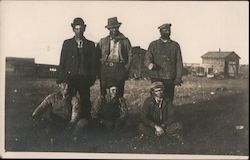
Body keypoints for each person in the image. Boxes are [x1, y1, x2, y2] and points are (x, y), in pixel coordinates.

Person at [59, 17, 97, 120]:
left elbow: (93, 64)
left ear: (84, 29)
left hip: (84, 79)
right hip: (70, 78)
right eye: (76, 28)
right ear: (73, 29)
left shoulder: (90, 45)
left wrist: (92, 79)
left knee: (85, 102)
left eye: (81, 29)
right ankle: (69, 122)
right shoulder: (67, 43)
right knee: (69, 101)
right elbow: (62, 62)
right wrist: (62, 79)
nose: (79, 31)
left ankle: (85, 123)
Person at [32, 77, 88, 143]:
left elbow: (75, 114)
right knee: (43, 123)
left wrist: (70, 124)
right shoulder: (52, 97)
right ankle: (56, 136)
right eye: (64, 84)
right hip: (54, 122)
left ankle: (69, 137)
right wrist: (35, 116)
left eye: (69, 85)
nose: (67, 87)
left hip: (68, 124)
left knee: (83, 122)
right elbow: (40, 108)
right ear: (59, 85)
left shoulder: (74, 99)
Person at [144, 23, 184, 104]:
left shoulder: (175, 46)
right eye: (165, 30)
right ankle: (155, 115)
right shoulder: (153, 45)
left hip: (169, 77)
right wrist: (149, 64)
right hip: (156, 77)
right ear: (160, 32)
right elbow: (147, 58)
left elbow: (179, 63)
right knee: (155, 98)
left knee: (168, 99)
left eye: (169, 30)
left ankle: (168, 115)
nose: (167, 32)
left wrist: (178, 77)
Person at [96, 17, 132, 97]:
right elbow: (97, 55)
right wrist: (100, 69)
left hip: (119, 68)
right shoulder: (103, 41)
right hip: (106, 69)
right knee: (104, 94)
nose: (114, 30)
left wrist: (126, 69)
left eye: (116, 27)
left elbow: (130, 55)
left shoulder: (125, 41)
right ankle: (103, 108)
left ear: (118, 27)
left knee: (118, 93)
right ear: (109, 29)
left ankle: (119, 109)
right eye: (112, 28)